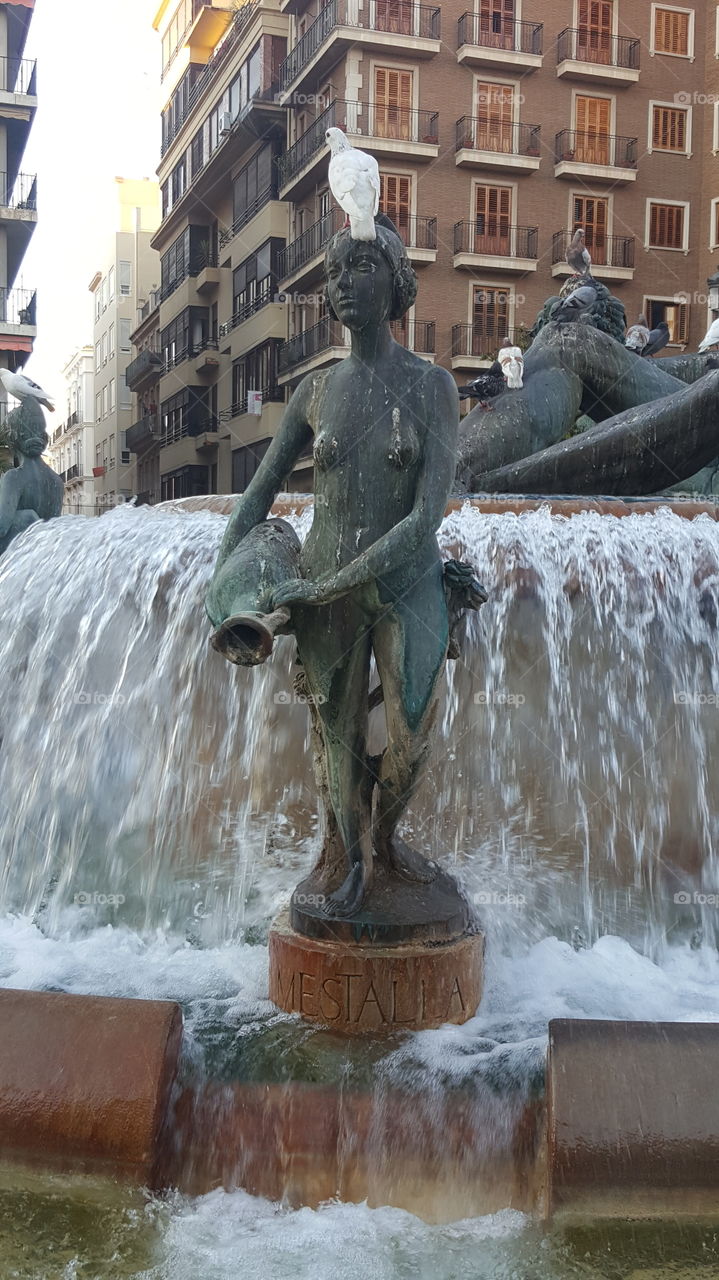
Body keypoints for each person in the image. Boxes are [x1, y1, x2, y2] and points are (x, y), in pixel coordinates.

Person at [207, 220, 459, 917]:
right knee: (337, 733)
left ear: (396, 282)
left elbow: (423, 519)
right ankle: (351, 859)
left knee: (412, 728)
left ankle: (386, 839)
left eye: (361, 269)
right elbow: (257, 494)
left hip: (404, 577)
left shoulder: (433, 386)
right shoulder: (315, 392)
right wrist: (222, 578)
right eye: (335, 274)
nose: (343, 285)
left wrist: (327, 584)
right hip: (324, 581)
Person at [0, 400, 63, 555]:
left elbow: (2, 527)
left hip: (16, 559)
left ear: (13, 437)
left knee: (24, 517)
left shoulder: (14, 477)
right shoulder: (57, 481)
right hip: (42, 558)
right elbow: (52, 529)